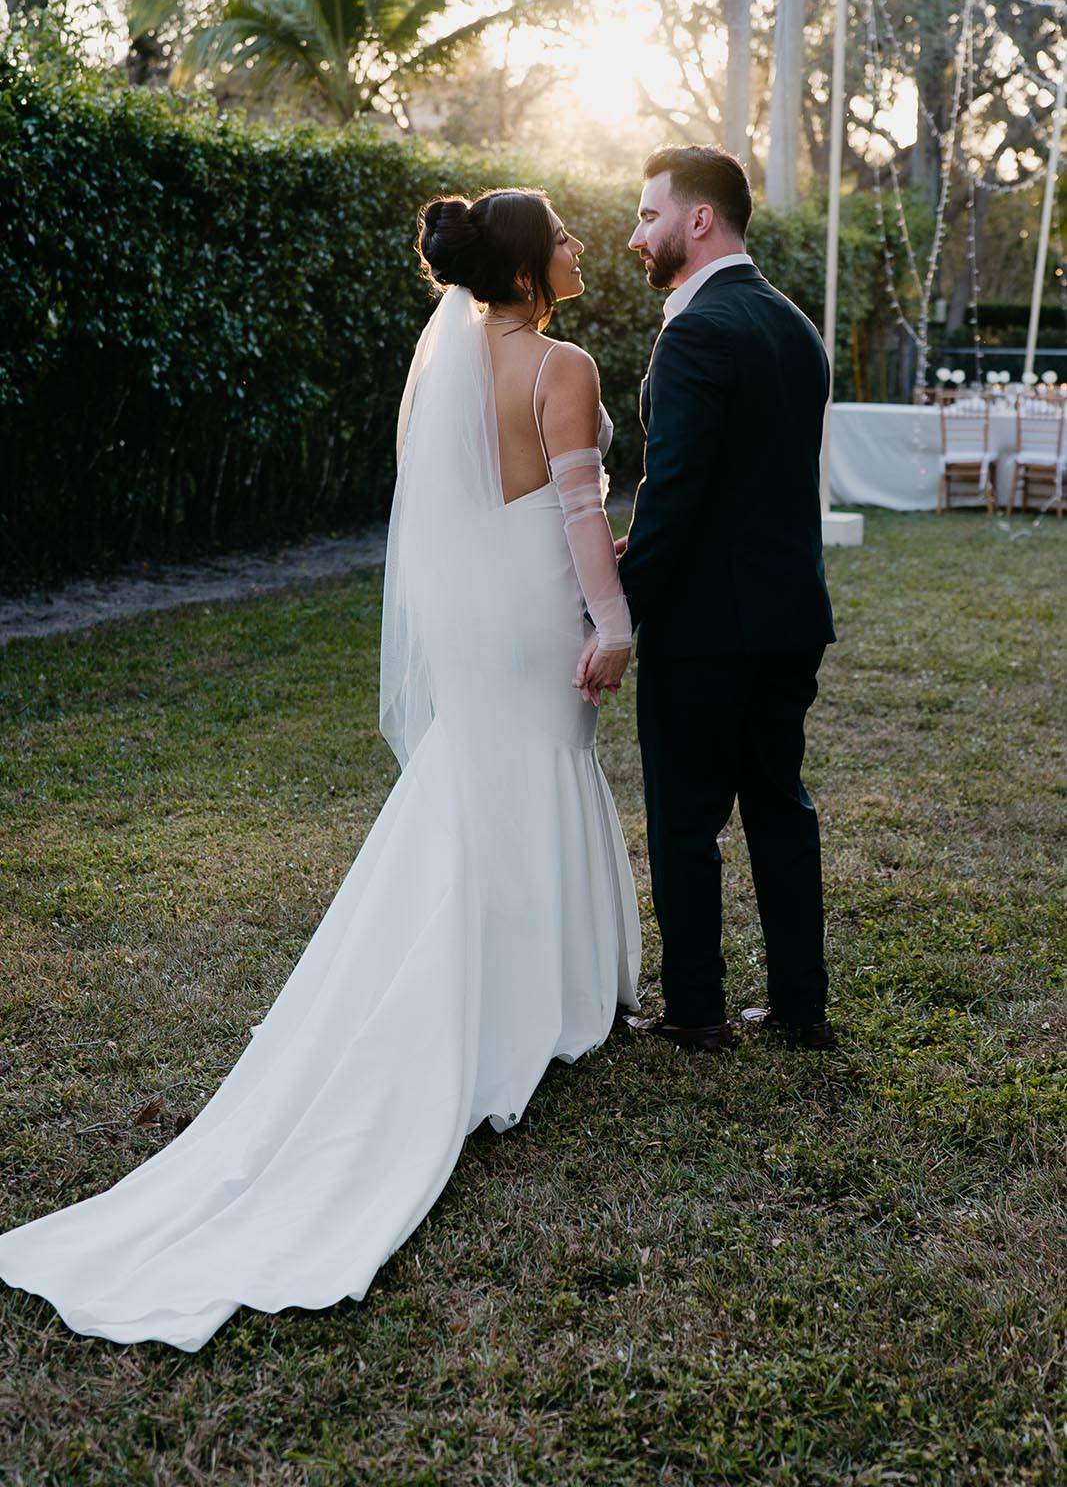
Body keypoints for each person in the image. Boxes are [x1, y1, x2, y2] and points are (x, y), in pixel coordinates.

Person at [0, 188, 641, 1352]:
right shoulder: (563, 365)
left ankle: (522, 983)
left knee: (485, 773)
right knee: (545, 763)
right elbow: (578, 512)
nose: (581, 244)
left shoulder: (455, 370)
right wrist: (611, 620)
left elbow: (449, 516)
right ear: (527, 265)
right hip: (542, 605)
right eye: (564, 232)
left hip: (475, 616)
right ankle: (536, 998)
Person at [583, 143, 837, 1054]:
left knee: (685, 821)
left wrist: (621, 605)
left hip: (705, 628)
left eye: (648, 215)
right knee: (779, 806)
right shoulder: (792, 323)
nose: (633, 235)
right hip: (787, 617)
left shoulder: (694, 331)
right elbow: (742, 484)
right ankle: (800, 1007)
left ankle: (696, 1011)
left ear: (698, 220)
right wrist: (642, 544)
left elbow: (676, 486)